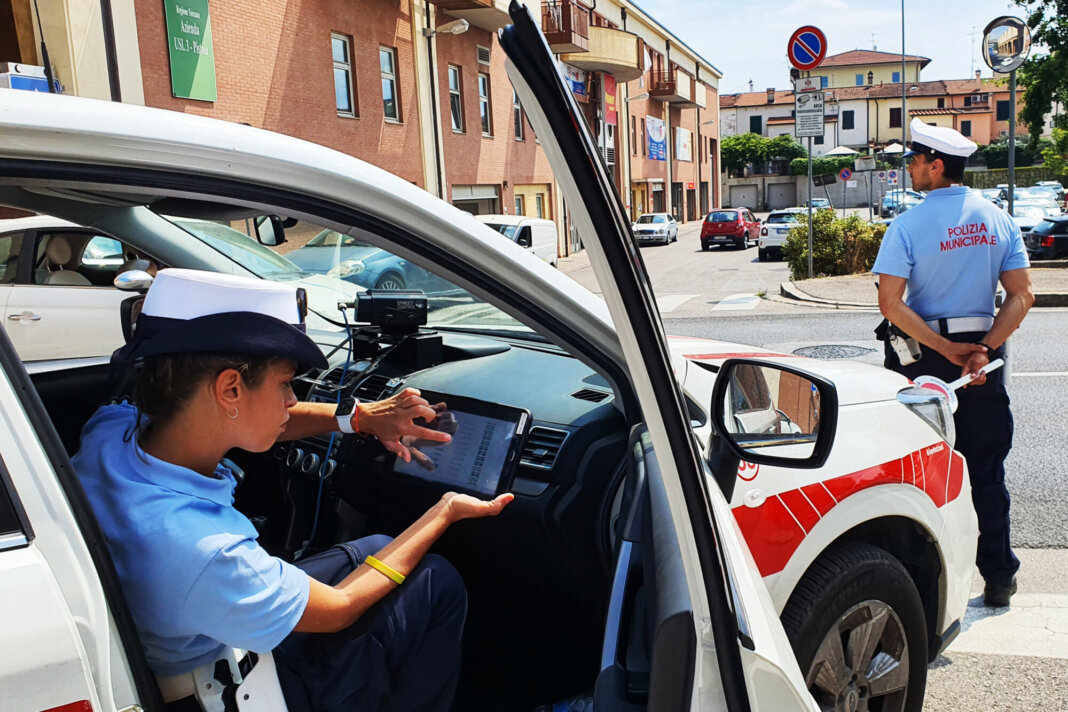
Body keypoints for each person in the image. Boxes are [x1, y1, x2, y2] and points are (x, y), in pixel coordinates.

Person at [72, 268, 513, 711]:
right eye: (285, 383)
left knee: (381, 546)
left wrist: (356, 418)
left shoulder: (111, 430)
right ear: (229, 389)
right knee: (436, 582)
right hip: (228, 685)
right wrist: (444, 511)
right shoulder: (203, 550)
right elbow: (339, 607)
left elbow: (259, 421)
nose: (290, 400)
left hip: (194, 620)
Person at [872, 119, 1034, 608]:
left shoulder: (907, 224)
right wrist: (985, 347)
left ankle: (926, 587)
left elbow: (891, 303)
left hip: (925, 359)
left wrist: (946, 350)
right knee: (986, 470)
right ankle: (1000, 577)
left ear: (935, 166)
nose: (909, 169)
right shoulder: (998, 219)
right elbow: (1022, 294)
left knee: (919, 472)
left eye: (914, 161)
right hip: (983, 362)